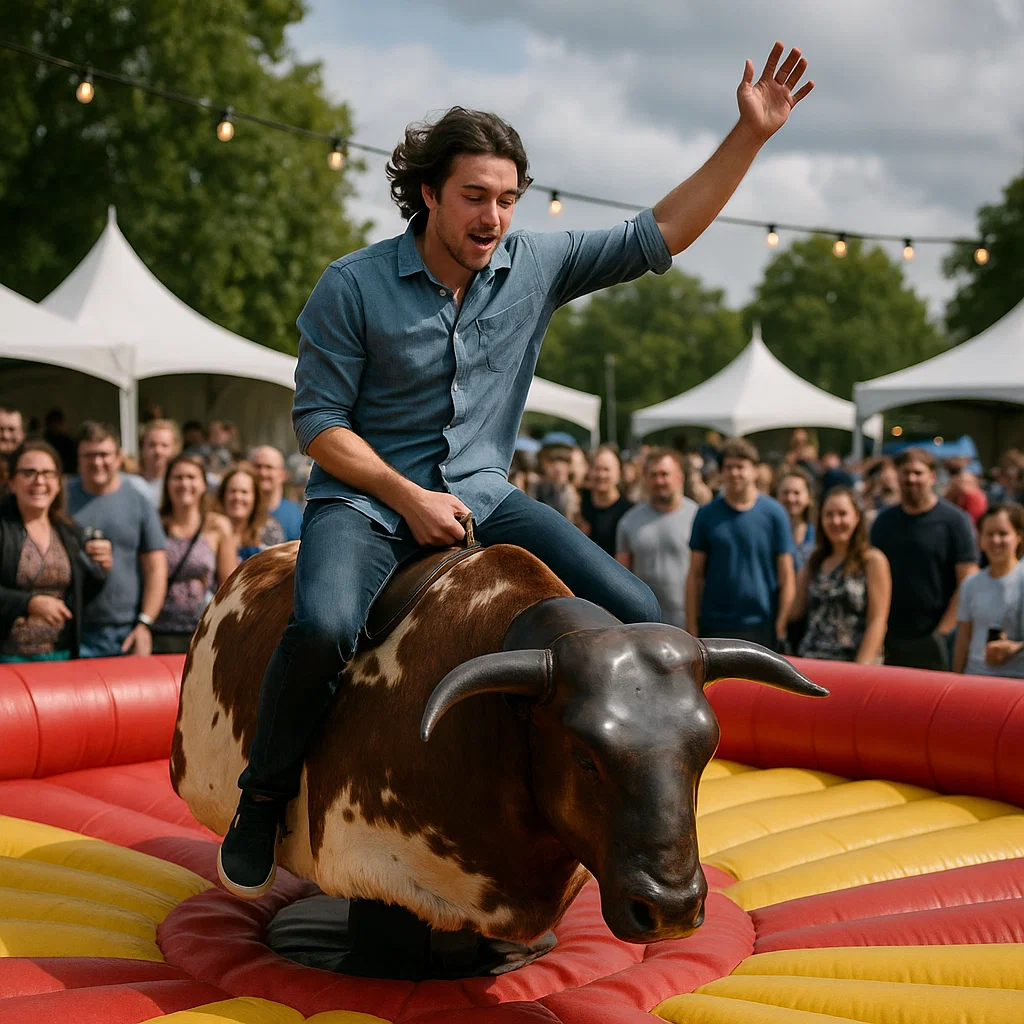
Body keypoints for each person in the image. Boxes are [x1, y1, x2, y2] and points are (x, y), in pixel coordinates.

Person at [217, 46, 815, 899]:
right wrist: (406, 496)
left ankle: (601, 813)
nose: (493, 215)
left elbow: (661, 233)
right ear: (429, 194)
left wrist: (748, 136)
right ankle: (262, 794)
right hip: (366, 502)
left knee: (642, 617)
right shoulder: (351, 286)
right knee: (319, 627)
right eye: (474, 196)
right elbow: (318, 424)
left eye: (506, 198)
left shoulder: (535, 264)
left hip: (487, 495)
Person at [0, 441, 111, 662]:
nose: (39, 481)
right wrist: (28, 603)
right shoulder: (3, 528)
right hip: (8, 658)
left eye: (48, 473)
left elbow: (81, 596)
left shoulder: (70, 532)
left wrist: (101, 569)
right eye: (28, 472)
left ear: (59, 483)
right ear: (11, 482)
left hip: (62, 655)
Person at [65, 422, 168, 658]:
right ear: (79, 459)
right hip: (71, 630)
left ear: (119, 457)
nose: (97, 462)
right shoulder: (61, 498)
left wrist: (145, 623)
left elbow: (156, 568)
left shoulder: (138, 500)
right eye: (89, 455)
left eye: (104, 455)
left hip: (125, 632)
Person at [870, 447, 978, 671]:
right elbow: (871, 577)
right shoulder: (884, 521)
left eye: (918, 473)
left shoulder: (955, 521)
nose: (911, 479)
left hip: (938, 639)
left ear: (932, 476)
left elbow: (967, 580)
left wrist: (942, 632)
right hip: (893, 638)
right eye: (905, 472)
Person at [686, 437, 796, 649]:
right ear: (721, 472)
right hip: (715, 625)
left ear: (755, 470)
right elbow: (695, 574)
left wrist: (781, 624)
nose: (735, 473)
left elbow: (787, 574)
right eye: (728, 467)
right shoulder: (706, 515)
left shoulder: (775, 513)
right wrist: (692, 626)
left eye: (740, 466)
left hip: (762, 624)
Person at [791, 486, 890, 664]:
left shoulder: (872, 561)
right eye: (829, 515)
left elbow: (878, 621)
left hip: (852, 665)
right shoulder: (815, 561)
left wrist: (860, 670)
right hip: (812, 662)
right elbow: (795, 611)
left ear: (857, 517)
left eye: (842, 514)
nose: (836, 521)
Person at [151, 454, 238, 654]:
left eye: (191, 477)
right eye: (178, 477)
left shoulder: (217, 526)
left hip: (202, 630)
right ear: (167, 484)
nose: (184, 483)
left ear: (203, 485)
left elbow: (228, 584)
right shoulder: (155, 524)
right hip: (160, 631)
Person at [615, 449, 697, 628]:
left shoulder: (698, 517)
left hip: (689, 623)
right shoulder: (629, 521)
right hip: (645, 625)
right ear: (645, 479)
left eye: (665, 474)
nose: (659, 481)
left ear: (679, 477)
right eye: (653, 475)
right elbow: (621, 577)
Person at [952, 503, 1024, 678]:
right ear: (981, 540)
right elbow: (964, 638)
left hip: (1016, 684)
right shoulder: (971, 583)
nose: (995, 541)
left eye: (1003, 534)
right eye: (989, 534)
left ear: (1019, 536)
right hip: (976, 679)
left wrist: (1015, 648)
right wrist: (955, 679)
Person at [218, 465, 286, 560]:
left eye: (244, 492)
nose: (237, 497)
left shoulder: (270, 530)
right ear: (223, 495)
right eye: (233, 491)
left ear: (255, 497)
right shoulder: (211, 528)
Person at [579, 446, 633, 556]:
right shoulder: (580, 504)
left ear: (619, 473)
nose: (601, 475)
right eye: (597, 469)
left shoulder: (629, 512)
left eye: (606, 469)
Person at [249, 446, 303, 542]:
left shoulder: (297, 515)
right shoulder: (240, 510)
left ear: (283, 474)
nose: (263, 473)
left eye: (269, 467)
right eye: (258, 466)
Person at [128, 419, 182, 507]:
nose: (158, 451)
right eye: (152, 445)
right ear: (142, 447)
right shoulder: (130, 484)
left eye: (164, 446)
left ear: (175, 449)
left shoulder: (181, 484)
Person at [776, 468, 816, 572]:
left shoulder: (819, 535)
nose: (790, 498)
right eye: (785, 493)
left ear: (809, 497)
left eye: (796, 493)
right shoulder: (767, 533)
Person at [0, 406, 26, 499]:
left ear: (22, 434)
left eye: (11, 430)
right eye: (0, 429)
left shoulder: (30, 470)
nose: (5, 436)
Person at [42, 408, 78, 474]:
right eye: (53, 423)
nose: (55, 426)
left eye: (57, 423)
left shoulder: (68, 441)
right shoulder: (44, 441)